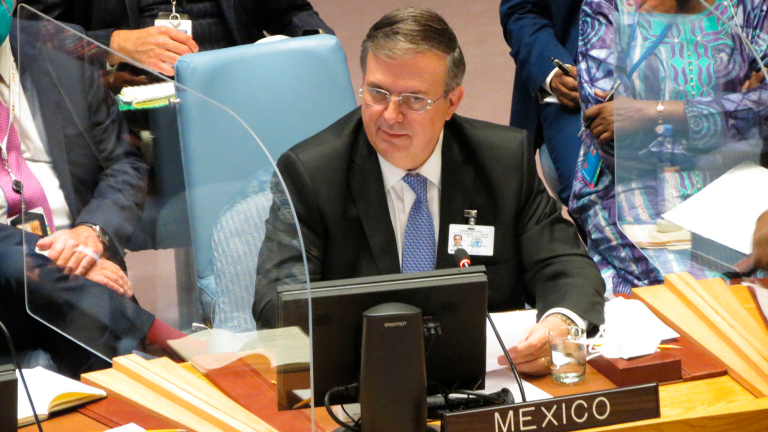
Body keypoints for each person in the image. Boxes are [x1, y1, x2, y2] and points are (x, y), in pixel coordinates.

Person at [253, 7, 605, 376]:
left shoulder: (502, 162)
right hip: (358, 386)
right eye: (377, 93)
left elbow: (565, 266)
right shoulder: (313, 173)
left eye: (414, 99)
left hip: (486, 383)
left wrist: (559, 325)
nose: (390, 115)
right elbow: (278, 302)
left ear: (452, 102)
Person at [0, 2, 161, 377]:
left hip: (87, 269)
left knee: (106, 382)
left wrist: (91, 235)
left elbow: (124, 165)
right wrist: (56, 259)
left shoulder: (57, 51)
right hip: (8, 286)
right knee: (9, 260)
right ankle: (159, 340)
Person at [571, 0, 768, 293]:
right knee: (700, 293)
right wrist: (735, 114)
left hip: (737, 179)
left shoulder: (750, 5)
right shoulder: (608, 6)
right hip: (634, 184)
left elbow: (764, 112)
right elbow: (614, 139)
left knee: (756, 281)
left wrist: (655, 112)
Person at [18, 0, 334, 76]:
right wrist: (113, 44)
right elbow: (29, 33)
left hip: (236, 93)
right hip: (121, 104)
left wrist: (319, 48)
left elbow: (291, 11)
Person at [500, 0, 584, 203]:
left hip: (669, 75)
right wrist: (552, 70)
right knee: (589, 193)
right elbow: (522, 10)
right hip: (576, 85)